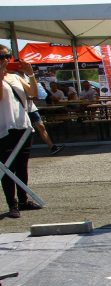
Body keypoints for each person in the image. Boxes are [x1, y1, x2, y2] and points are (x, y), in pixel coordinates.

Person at [0, 46, 39, 218]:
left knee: (22, 166)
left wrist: (30, 74)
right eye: (1, 56)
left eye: (7, 56)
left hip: (23, 126)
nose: (5, 59)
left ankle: (23, 200)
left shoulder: (15, 77)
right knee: (7, 167)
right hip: (5, 128)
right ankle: (12, 203)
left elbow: (33, 93)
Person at [22, 73, 63, 155]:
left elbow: (36, 92)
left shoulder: (27, 77)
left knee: (41, 126)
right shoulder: (13, 76)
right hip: (21, 109)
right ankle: (20, 150)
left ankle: (52, 147)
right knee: (24, 130)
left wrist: (35, 95)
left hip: (31, 107)